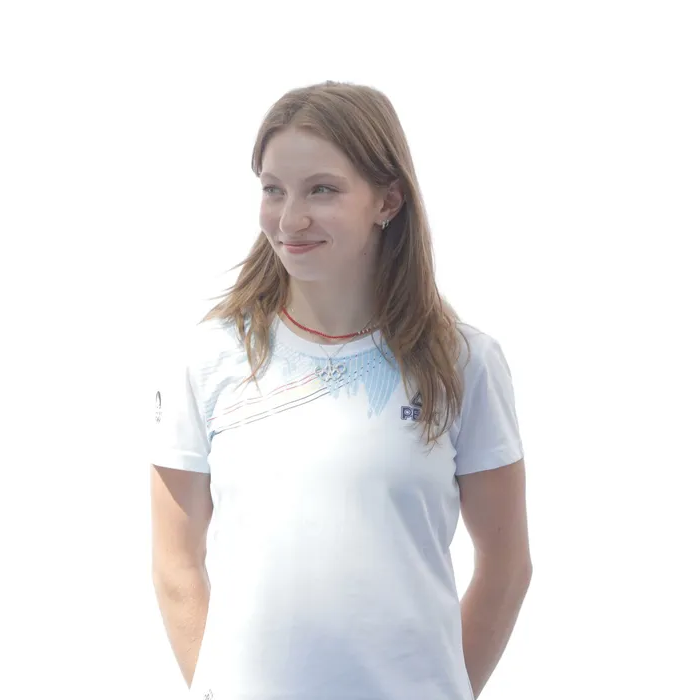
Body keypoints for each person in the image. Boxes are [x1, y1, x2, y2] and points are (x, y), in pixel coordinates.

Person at [149, 80, 532, 700]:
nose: (290, 219)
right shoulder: (210, 359)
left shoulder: (464, 364)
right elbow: (175, 562)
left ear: (388, 200)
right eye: (273, 189)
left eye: (322, 190)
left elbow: (506, 566)